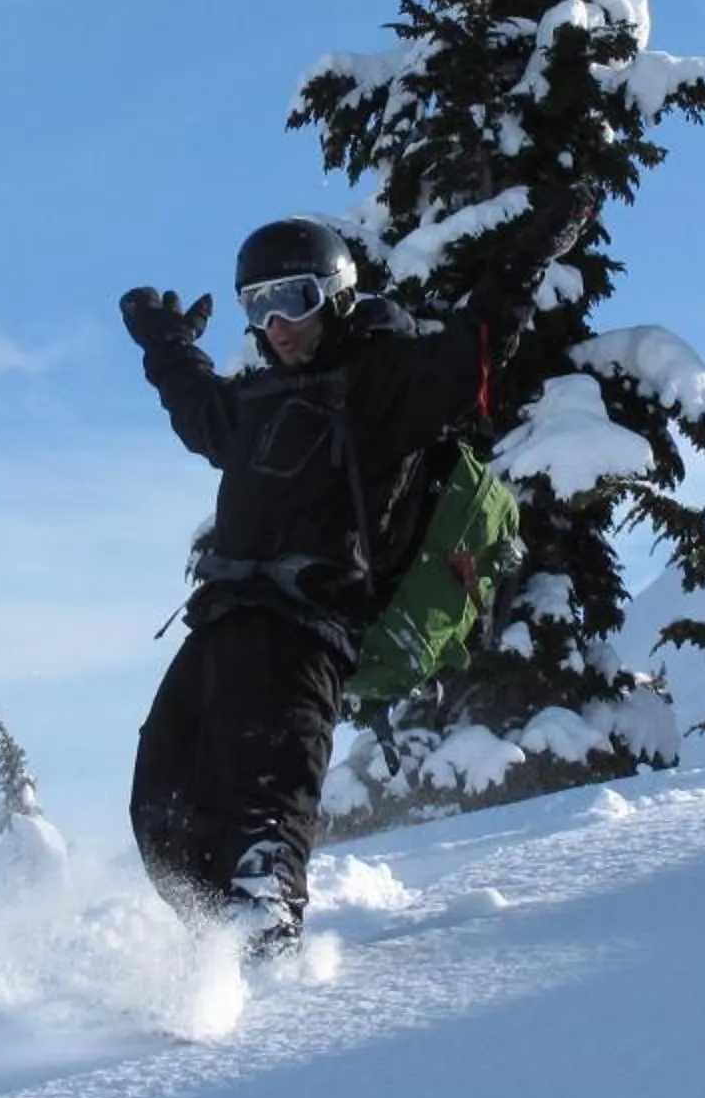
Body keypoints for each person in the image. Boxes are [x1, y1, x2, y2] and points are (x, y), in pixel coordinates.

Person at [119, 199, 581, 956]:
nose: (277, 324)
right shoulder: (259, 402)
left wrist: (523, 264)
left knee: (271, 780)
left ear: (335, 294)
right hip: (224, 616)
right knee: (160, 799)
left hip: (310, 624)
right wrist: (168, 349)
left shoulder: (384, 385)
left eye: (293, 300)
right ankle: (211, 951)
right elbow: (201, 412)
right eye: (258, 306)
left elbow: (476, 348)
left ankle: (267, 930)